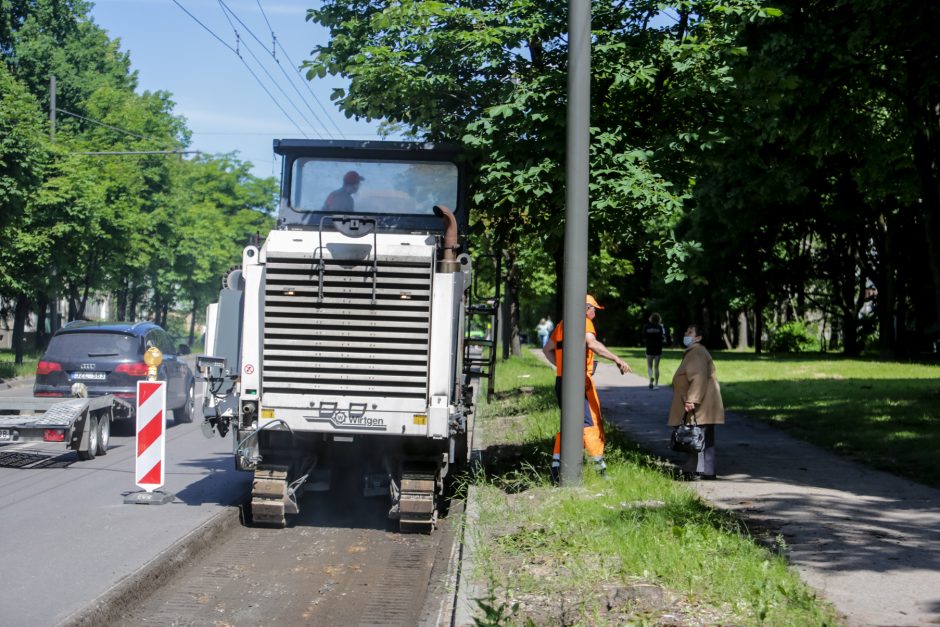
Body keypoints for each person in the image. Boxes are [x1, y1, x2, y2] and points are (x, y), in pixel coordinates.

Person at [543, 295, 631, 482]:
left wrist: (561, 368)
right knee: (589, 423)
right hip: (578, 382)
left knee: (570, 424)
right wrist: (617, 359)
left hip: (562, 381)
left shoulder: (561, 324)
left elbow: (547, 349)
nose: (594, 314)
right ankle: (599, 469)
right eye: (594, 310)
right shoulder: (584, 321)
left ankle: (556, 468)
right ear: (585, 308)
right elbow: (592, 343)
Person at [668, 323, 725, 480]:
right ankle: (707, 470)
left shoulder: (696, 352)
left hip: (700, 404)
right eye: (686, 330)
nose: (686, 333)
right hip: (705, 402)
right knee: (703, 436)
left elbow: (698, 377)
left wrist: (692, 399)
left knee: (696, 436)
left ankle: (694, 470)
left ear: (698, 337)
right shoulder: (695, 351)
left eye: (690, 332)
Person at [643, 313, 668, 389]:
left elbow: (644, 337)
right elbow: (663, 338)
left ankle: (651, 379)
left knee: (649, 366)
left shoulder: (646, 327)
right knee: (656, 367)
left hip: (649, 348)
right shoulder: (660, 327)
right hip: (658, 349)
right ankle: (656, 384)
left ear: (651, 319)